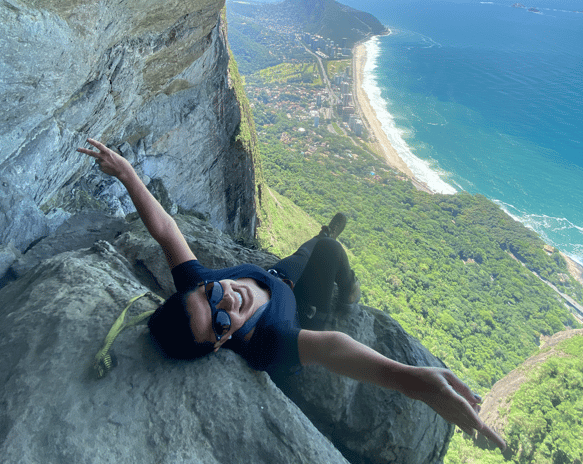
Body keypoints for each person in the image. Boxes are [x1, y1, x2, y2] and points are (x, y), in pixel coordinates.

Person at [78, 138, 506, 451]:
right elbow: (333, 349)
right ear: (222, 344)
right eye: (221, 322)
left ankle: (323, 236)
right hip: (303, 307)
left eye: (212, 293)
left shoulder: (196, 283)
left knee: (309, 248)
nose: (227, 300)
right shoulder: (269, 343)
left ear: (200, 285)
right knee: (329, 252)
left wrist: (127, 173)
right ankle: (346, 292)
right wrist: (418, 383)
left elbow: (166, 230)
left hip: (277, 276)